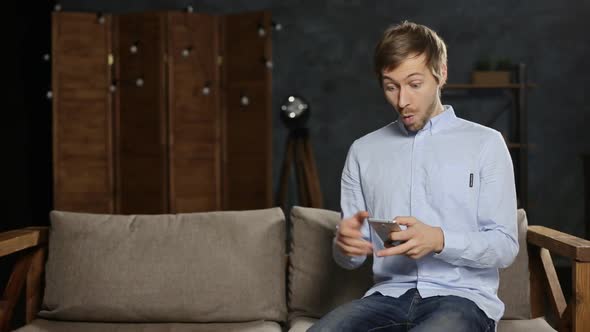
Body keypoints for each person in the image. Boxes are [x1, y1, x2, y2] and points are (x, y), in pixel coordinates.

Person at [309, 21, 518, 332]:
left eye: (414, 84)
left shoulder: (486, 144)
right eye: (391, 86)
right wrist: (345, 245)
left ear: (441, 74)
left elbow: (505, 246)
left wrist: (440, 240)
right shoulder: (363, 151)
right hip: (387, 297)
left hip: (462, 299)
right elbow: (350, 259)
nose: (402, 100)